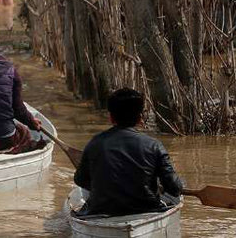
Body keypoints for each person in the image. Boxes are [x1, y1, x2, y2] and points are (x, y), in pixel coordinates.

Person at [73, 89, 184, 217]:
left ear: (111, 117)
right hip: (147, 210)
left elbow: (80, 180)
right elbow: (174, 188)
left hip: (101, 211)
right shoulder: (154, 146)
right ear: (140, 117)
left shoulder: (95, 143)